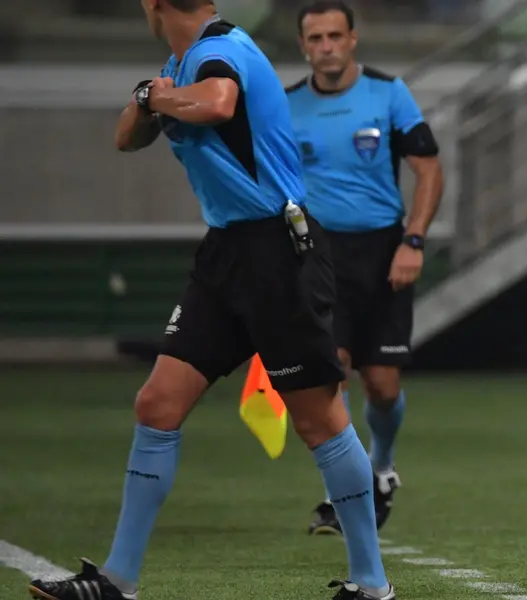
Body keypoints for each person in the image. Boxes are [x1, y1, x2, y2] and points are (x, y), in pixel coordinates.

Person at [27, 2, 394, 600]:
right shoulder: (180, 62)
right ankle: (117, 581)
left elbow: (219, 102)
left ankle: (372, 585)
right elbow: (126, 136)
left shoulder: (219, 50)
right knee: (157, 404)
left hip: (279, 252)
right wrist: (152, 96)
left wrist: (154, 97)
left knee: (318, 420)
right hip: (227, 255)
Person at [286, 0, 444, 538]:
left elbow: (428, 172)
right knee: (335, 372)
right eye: (316, 38)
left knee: (382, 385)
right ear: (304, 46)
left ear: (353, 39)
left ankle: (382, 466)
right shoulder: (285, 107)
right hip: (320, 257)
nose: (326, 46)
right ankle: (343, 493)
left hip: (383, 253)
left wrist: (413, 241)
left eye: (335, 35)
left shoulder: (388, 94)